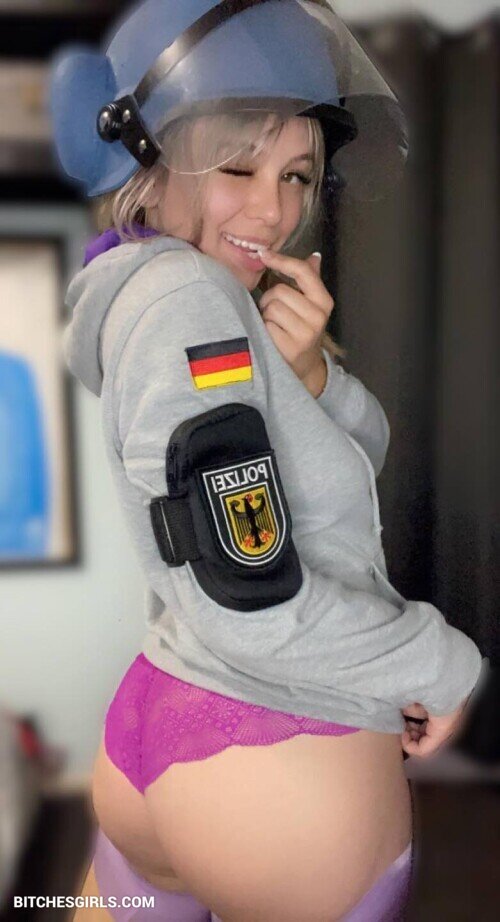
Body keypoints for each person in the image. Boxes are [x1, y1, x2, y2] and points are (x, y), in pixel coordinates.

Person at [50, 2, 483, 920]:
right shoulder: (191, 305)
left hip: (168, 724)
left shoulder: (171, 296)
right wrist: (436, 662)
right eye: (237, 167)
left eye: (295, 175)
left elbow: (322, 479)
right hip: (273, 755)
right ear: (148, 164)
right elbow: (248, 592)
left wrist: (309, 375)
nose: (276, 211)